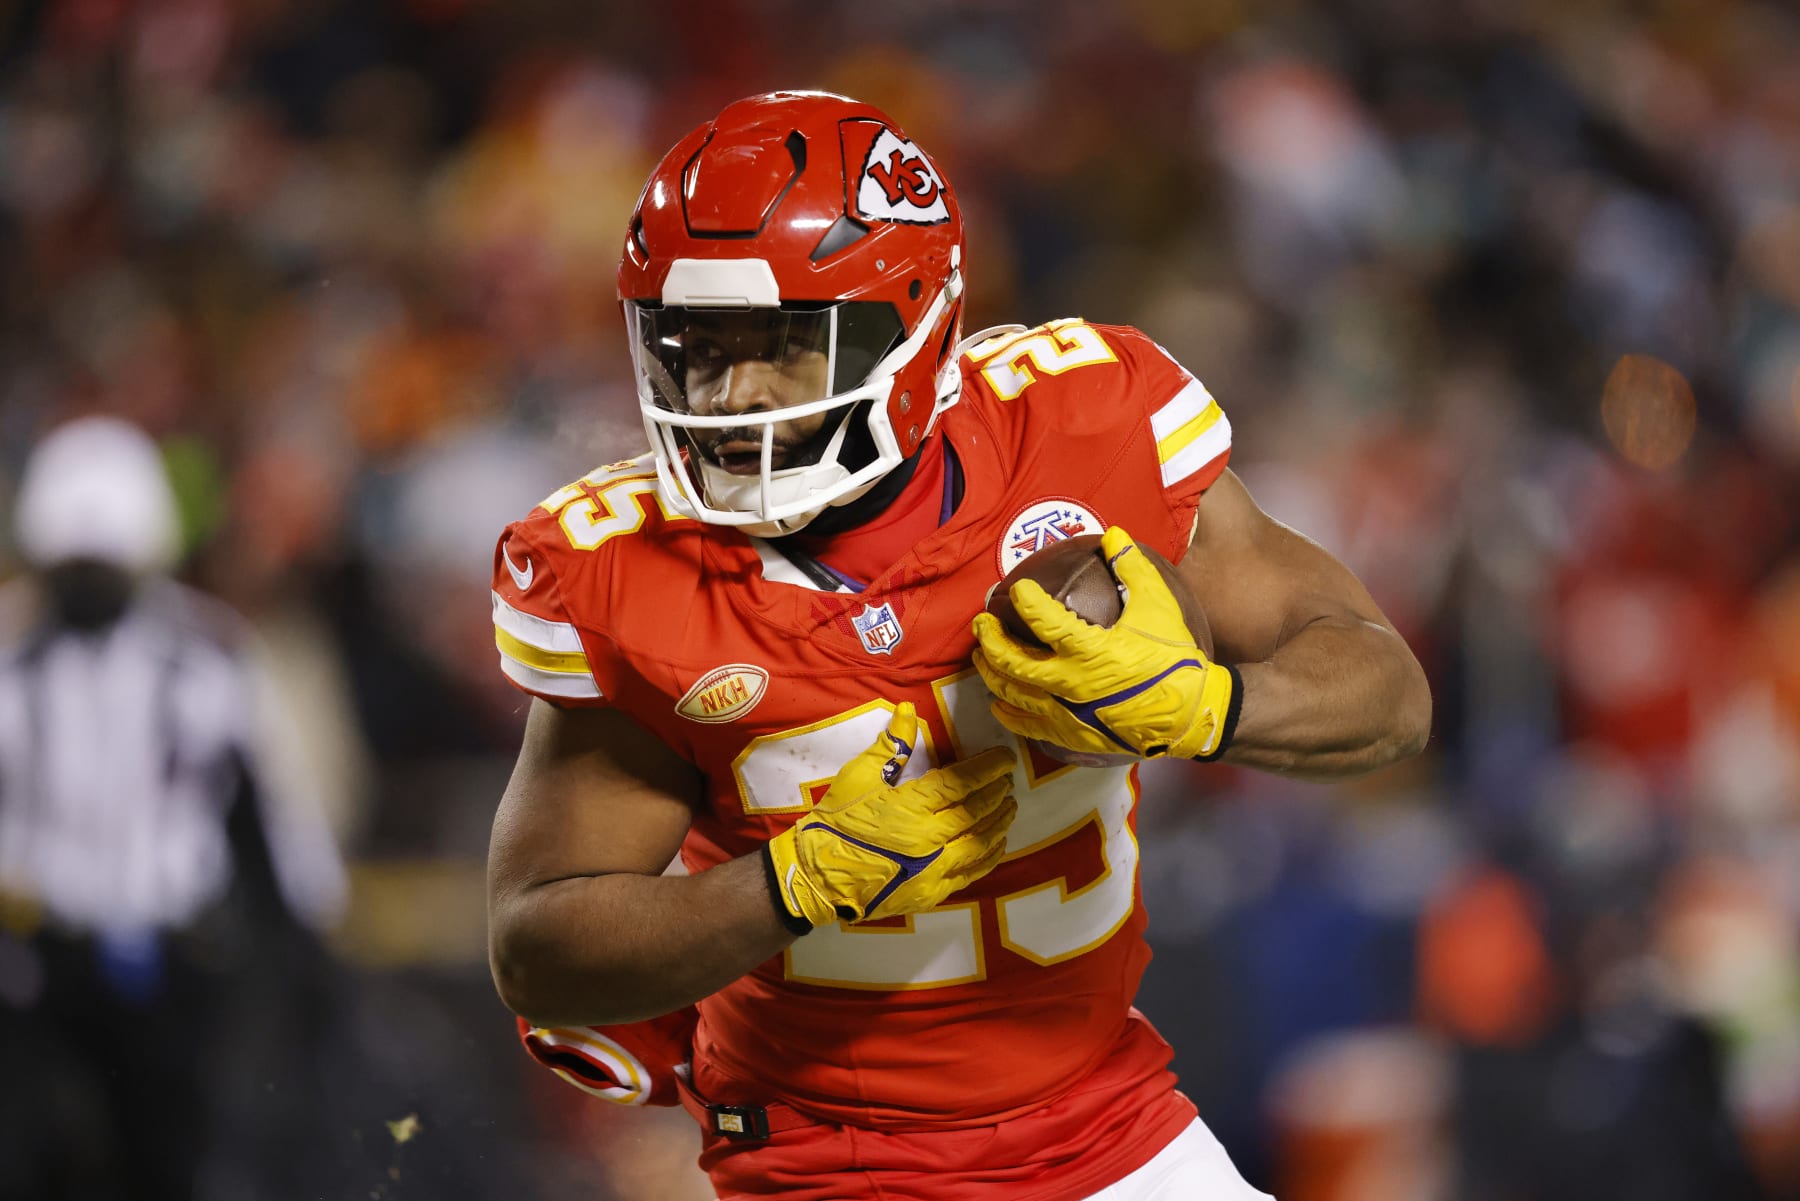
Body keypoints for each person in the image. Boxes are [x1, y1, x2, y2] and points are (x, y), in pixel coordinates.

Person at [485, 90, 1431, 1200]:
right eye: (697, 346)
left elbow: (1388, 692)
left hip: (1109, 1121)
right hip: (828, 1161)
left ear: (915, 320)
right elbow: (536, 941)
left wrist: (1213, 706)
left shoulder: (1085, 428)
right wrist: (787, 884)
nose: (729, 393)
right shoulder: (631, 568)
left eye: (785, 342)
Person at [0, 417, 347, 1201]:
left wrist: (305, 937)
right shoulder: (12, 657)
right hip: (33, 968)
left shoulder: (205, 655)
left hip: (177, 961)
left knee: (185, 1157)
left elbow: (275, 812)